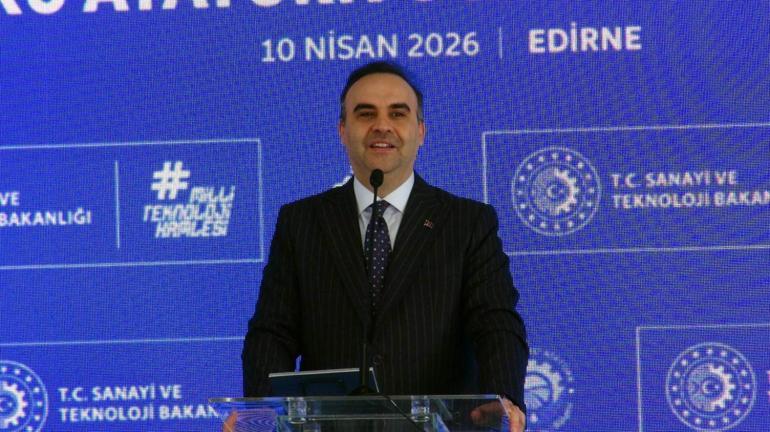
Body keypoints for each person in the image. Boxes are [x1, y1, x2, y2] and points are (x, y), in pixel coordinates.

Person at [242, 61, 528, 431]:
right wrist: (263, 409)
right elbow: (272, 333)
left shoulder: (468, 223)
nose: (382, 125)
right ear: (342, 131)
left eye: (398, 113)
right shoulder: (301, 223)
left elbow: (496, 323)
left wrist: (503, 397)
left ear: (420, 131)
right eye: (365, 114)